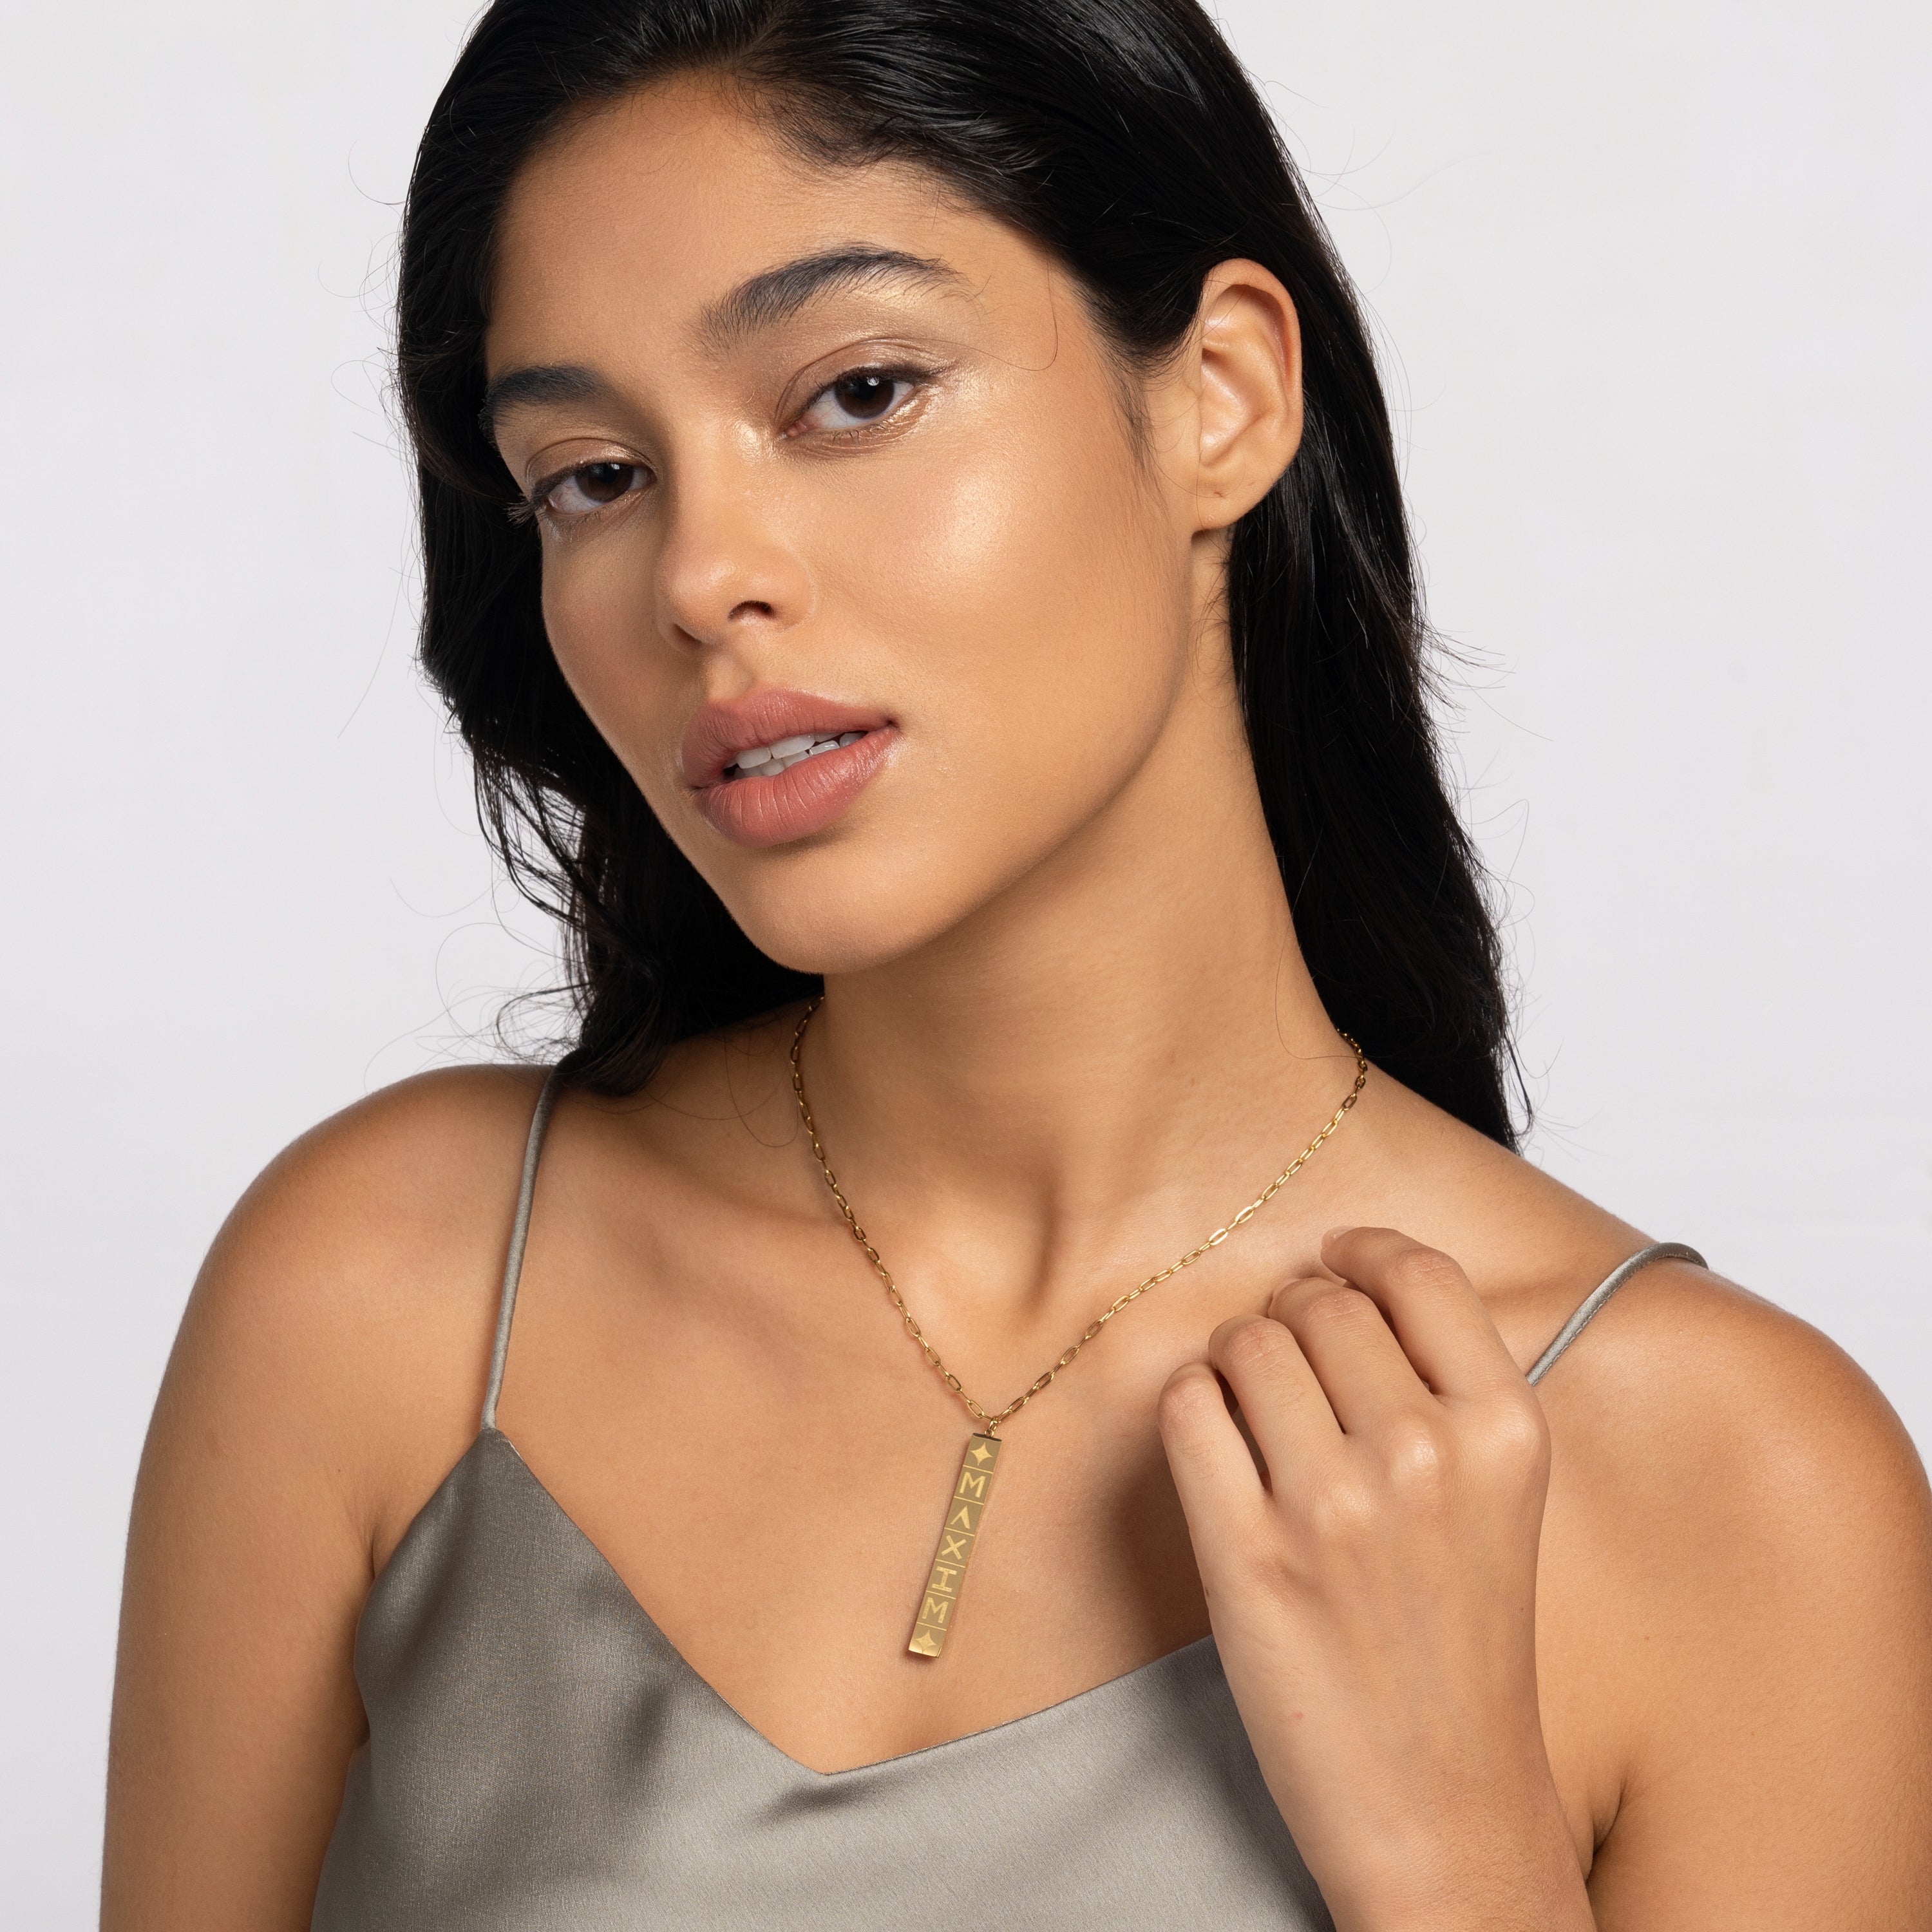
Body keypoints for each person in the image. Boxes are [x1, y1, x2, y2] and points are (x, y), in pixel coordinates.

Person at [102, 2, 1932, 1926]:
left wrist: (1456, 1849)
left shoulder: (1732, 1494)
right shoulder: (389, 1293)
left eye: (857, 393)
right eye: (593, 476)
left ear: (1221, 394)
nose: (700, 576)